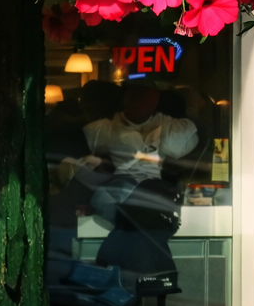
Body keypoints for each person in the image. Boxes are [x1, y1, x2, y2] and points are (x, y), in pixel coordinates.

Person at [81, 84, 199, 225]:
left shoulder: (171, 129)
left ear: (155, 103)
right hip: (125, 195)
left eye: (147, 101)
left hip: (156, 196)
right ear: (126, 100)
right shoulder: (100, 130)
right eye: (136, 98)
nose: (140, 104)